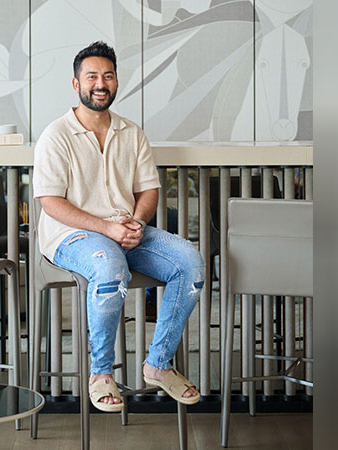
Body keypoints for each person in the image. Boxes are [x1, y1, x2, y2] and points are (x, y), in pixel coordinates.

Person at [33, 41, 204, 412]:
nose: (101, 83)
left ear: (115, 82)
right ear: (76, 84)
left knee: (189, 262)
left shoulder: (131, 132)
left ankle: (158, 364)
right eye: (92, 76)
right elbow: (51, 202)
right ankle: (101, 373)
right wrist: (106, 229)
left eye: (108, 76)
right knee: (109, 265)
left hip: (126, 231)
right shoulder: (56, 135)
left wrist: (137, 222)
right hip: (71, 236)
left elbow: (149, 191)